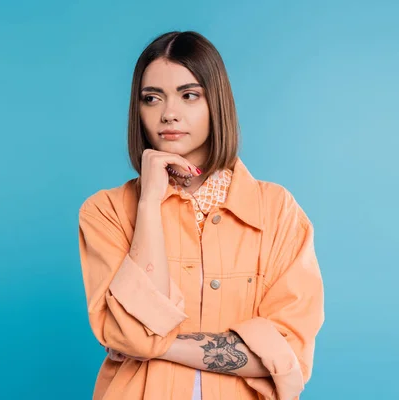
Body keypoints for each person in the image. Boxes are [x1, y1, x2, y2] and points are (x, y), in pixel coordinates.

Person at [77, 31, 324, 400]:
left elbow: (288, 352)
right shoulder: (106, 212)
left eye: (189, 95)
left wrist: (159, 345)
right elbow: (131, 332)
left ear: (216, 103)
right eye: (151, 98)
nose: (169, 113)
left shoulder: (277, 211)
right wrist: (148, 205)